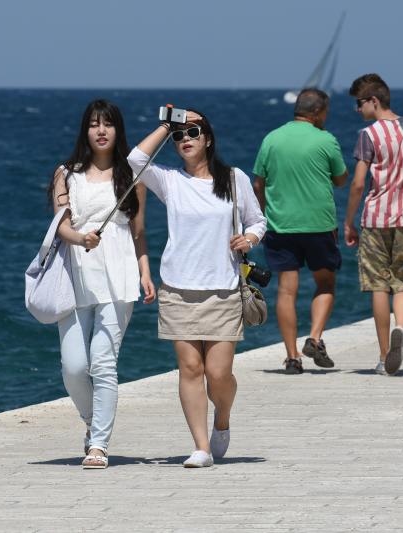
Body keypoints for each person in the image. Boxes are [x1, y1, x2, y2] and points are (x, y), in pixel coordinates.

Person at [128, 108, 266, 468]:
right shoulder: (171, 181)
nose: (185, 139)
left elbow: (258, 220)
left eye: (193, 132)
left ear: (208, 139)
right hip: (178, 289)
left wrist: (249, 238)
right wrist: (166, 123)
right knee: (190, 369)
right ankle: (201, 447)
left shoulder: (234, 179)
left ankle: (222, 418)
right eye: (179, 135)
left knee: (218, 374)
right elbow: (135, 159)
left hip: (223, 289)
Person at [48, 99, 155, 469]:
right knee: (74, 366)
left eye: (108, 123)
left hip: (120, 273)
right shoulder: (66, 173)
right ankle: (92, 422)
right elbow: (61, 224)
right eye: (94, 124)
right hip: (75, 273)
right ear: (85, 130)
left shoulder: (132, 178)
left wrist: (145, 271)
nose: (101, 130)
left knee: (103, 363)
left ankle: (99, 445)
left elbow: (139, 234)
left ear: (117, 129)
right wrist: (79, 238)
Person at [252, 89, 348, 375]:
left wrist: (263, 214)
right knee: (326, 283)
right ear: (319, 112)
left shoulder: (272, 138)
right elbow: (341, 179)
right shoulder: (326, 140)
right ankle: (315, 338)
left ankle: (292, 356)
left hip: (281, 225)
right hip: (319, 224)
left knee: (286, 290)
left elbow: (258, 183)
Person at [344, 73, 403, 376]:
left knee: (379, 285)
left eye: (359, 103)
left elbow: (357, 184)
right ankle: (401, 327)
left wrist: (349, 221)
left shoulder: (369, 135)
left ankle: (383, 356)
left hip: (376, 218)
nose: (357, 110)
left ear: (374, 101)